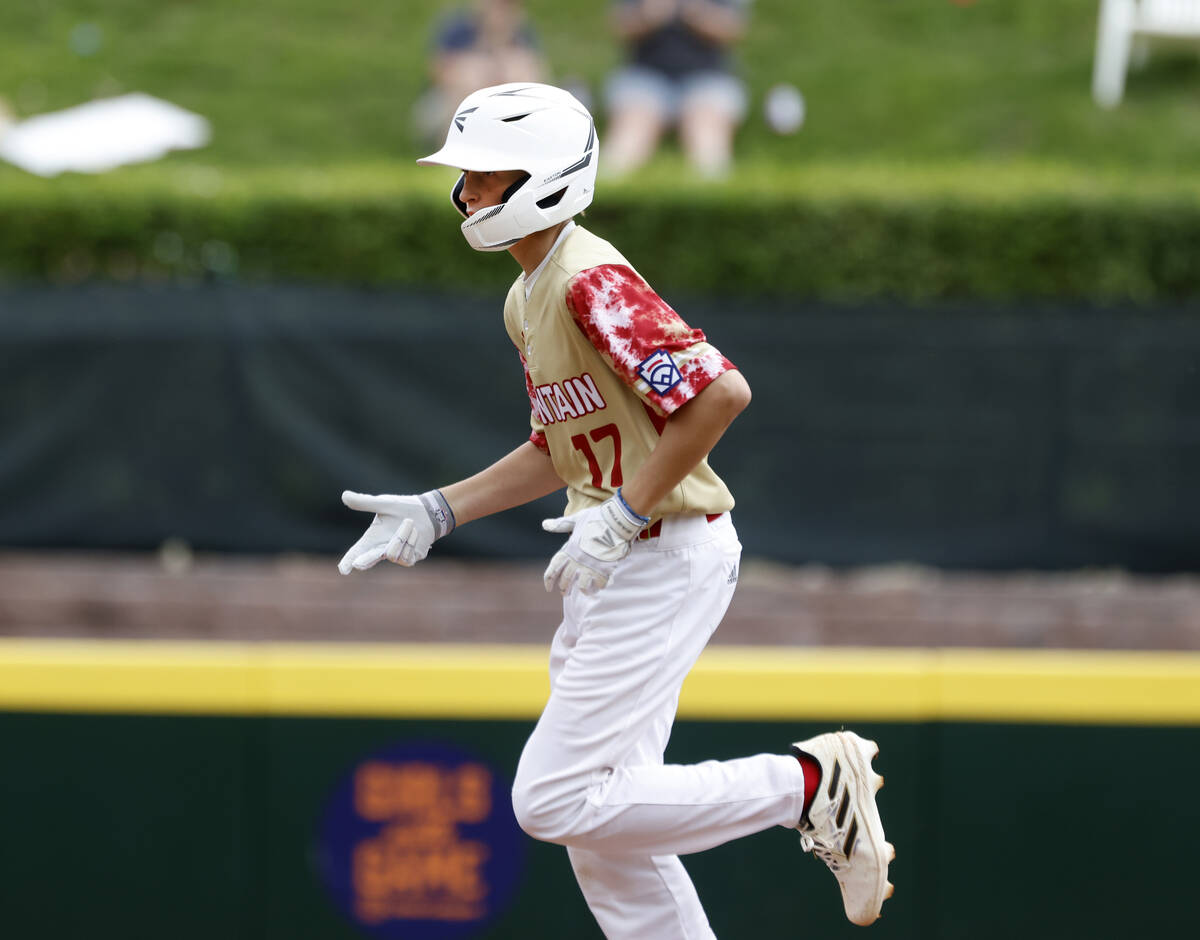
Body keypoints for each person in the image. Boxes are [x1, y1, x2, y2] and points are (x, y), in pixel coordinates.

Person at [338, 82, 893, 938]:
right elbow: (556, 446)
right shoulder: (528, 295)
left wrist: (629, 510)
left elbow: (721, 394)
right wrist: (439, 510)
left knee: (552, 799)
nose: (468, 193)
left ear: (549, 177)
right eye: (467, 176)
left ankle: (811, 785)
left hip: (662, 551)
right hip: (618, 553)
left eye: (488, 175)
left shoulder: (587, 279)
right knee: (602, 827)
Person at [602, 0, 751, 178]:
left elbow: (733, 30)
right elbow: (620, 28)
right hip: (644, 78)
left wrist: (696, 12)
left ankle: (714, 196)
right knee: (626, 142)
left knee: (708, 142)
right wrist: (650, 14)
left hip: (708, 80)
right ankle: (601, 195)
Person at [414, 0, 548, 146]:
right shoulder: (458, 28)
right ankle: (454, 153)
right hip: (449, 104)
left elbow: (537, 78)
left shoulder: (522, 34)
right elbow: (438, 72)